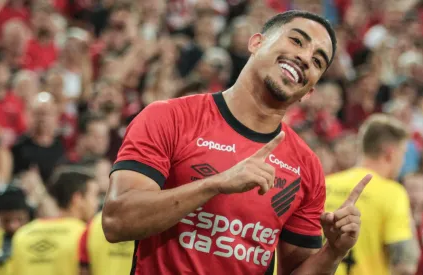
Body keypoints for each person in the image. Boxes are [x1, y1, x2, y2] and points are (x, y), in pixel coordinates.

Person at [103, 10, 371, 275]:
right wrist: (215, 184)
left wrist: (333, 252)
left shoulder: (306, 166)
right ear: (256, 43)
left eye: (317, 61)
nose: (304, 57)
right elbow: (117, 221)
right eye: (297, 41)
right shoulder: (169, 117)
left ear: (310, 91)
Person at [325, 114, 420, 275]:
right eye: (402, 154)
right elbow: (405, 264)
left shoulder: (326, 183)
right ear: (390, 153)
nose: (403, 162)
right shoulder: (393, 193)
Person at [8, 168, 99, 275]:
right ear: (77, 198)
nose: (97, 203)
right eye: (94, 196)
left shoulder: (23, 233)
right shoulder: (87, 234)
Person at [0, 186, 31, 275]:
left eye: (19, 219)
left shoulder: (36, 238)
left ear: (27, 217)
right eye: (6, 221)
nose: (12, 226)